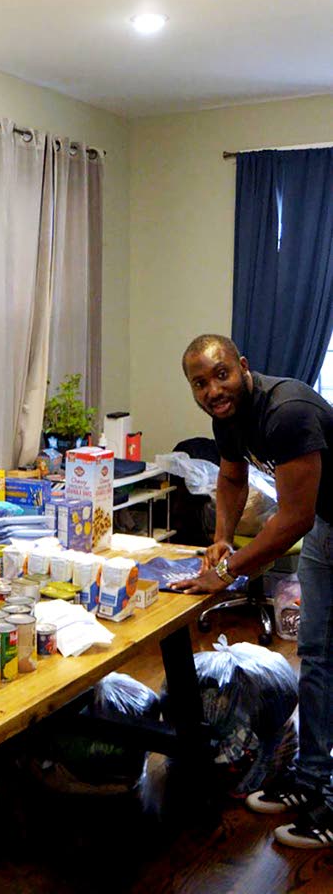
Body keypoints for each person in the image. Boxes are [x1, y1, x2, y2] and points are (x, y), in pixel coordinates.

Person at [174, 333, 333, 850]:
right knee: (316, 654)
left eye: (221, 374)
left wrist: (225, 572)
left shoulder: (287, 412)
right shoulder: (226, 417)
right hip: (327, 525)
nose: (213, 390)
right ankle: (311, 779)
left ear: (242, 366)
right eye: (200, 383)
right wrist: (221, 538)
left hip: (318, 521)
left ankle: (331, 801)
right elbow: (230, 479)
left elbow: (295, 517)